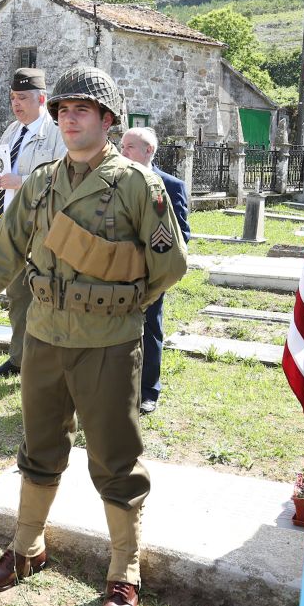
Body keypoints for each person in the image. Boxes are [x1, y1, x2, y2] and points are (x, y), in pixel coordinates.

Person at [0, 66, 188, 606]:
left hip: (108, 341)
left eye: (82, 110)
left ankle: (124, 570)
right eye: (63, 110)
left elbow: (169, 266)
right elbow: (2, 254)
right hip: (43, 335)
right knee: (39, 448)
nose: (69, 119)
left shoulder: (139, 184)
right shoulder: (40, 182)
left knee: (115, 458)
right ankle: (27, 548)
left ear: (108, 121)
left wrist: (118, 303)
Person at [0, 67, 66, 380]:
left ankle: (44, 363)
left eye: (23, 98)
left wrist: (22, 181)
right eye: (13, 98)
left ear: (41, 99)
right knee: (17, 297)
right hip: (7, 228)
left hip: (39, 230)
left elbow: (64, 177)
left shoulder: (56, 132)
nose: (16, 104)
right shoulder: (11, 130)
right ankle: (19, 359)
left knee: (43, 298)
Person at [120, 127, 191, 415]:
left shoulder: (170, 185)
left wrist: (157, 266)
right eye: (121, 146)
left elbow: (181, 234)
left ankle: (148, 390)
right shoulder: (114, 180)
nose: (122, 151)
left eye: (129, 147)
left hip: (150, 272)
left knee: (150, 329)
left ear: (148, 150)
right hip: (116, 269)